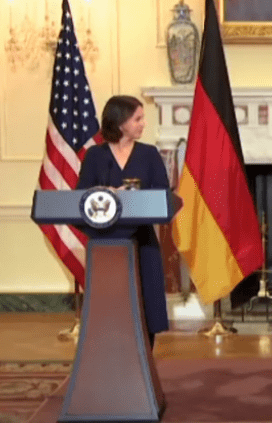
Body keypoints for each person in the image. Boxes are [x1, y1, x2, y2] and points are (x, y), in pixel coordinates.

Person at [76, 95, 170, 350]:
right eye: (137, 119)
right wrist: (105, 193)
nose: (143, 124)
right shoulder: (95, 156)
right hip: (106, 242)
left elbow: (163, 194)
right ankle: (108, 356)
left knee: (145, 301)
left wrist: (134, 197)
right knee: (111, 302)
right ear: (120, 122)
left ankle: (145, 358)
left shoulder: (149, 154)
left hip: (142, 240)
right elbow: (81, 196)